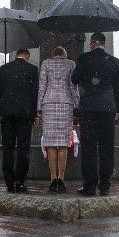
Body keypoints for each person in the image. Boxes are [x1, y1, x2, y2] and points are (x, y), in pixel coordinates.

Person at [71, 32, 119, 196]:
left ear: (92, 43)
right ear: (104, 44)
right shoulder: (113, 62)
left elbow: (74, 78)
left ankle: (90, 185)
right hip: (107, 110)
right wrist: (116, 108)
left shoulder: (84, 59)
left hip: (88, 109)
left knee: (89, 147)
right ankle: (105, 185)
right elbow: (118, 88)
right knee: (107, 148)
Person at [0, 48, 39, 193]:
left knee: (7, 148)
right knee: (23, 148)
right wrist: (33, 115)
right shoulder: (32, 69)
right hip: (25, 115)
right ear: (27, 56)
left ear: (17, 55)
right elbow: (34, 93)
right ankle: (20, 181)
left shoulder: (4, 68)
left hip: (6, 114)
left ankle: (9, 181)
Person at [37, 46, 79, 193]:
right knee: (63, 143)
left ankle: (52, 178)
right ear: (64, 55)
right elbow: (73, 87)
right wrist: (77, 103)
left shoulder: (45, 63)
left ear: (53, 55)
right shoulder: (71, 64)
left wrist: (39, 106)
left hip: (48, 103)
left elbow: (42, 86)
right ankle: (61, 178)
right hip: (66, 104)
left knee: (50, 142)